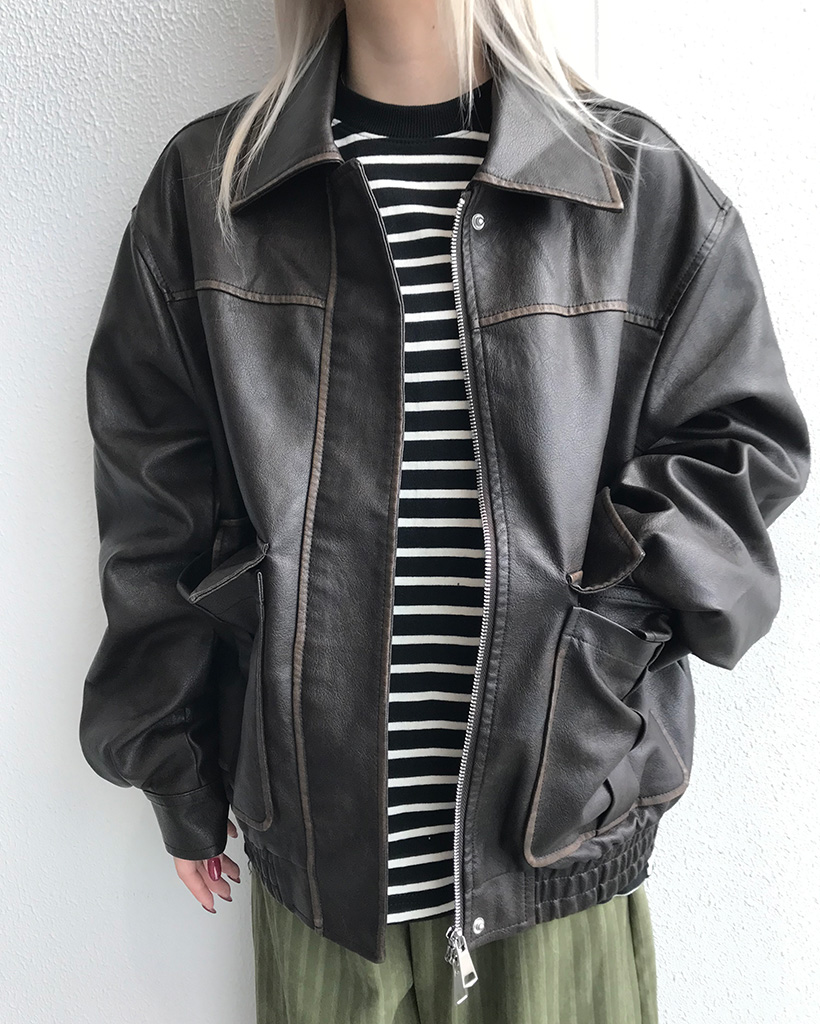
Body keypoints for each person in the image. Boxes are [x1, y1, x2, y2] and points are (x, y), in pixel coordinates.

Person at [79, 1, 812, 1022]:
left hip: (557, 843)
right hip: (317, 849)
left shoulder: (631, 184)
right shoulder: (214, 190)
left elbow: (742, 445)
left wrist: (598, 636)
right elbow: (156, 502)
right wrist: (176, 766)